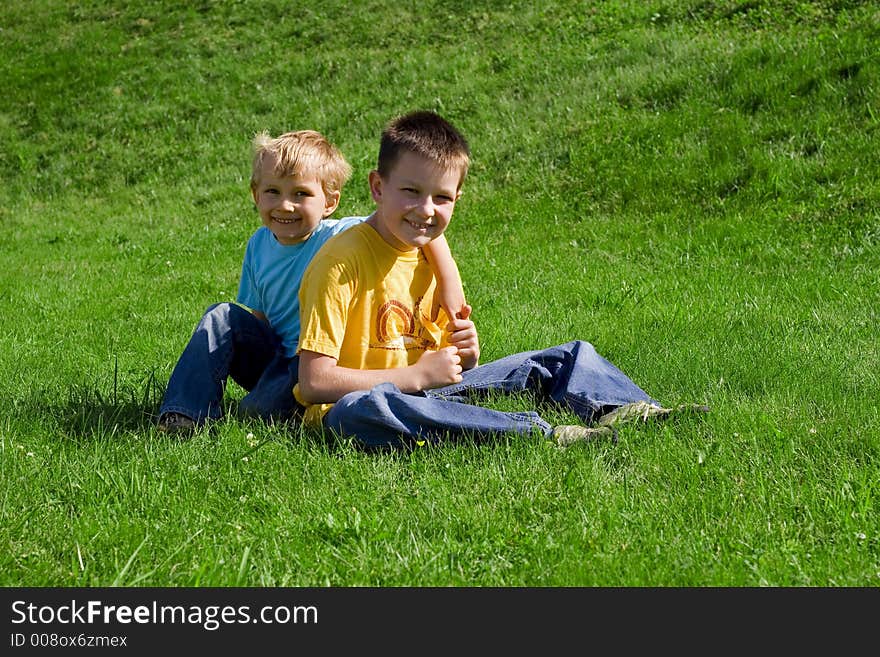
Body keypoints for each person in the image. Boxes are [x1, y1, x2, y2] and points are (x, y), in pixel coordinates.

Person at [294, 110, 708, 450]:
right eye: (411, 191)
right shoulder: (340, 262)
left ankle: (629, 409)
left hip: (427, 392)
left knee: (566, 356)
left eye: (441, 197)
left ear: (457, 199)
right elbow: (314, 383)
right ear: (377, 187)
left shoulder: (429, 254)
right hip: (352, 407)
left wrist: (465, 356)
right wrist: (414, 377)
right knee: (362, 410)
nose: (425, 209)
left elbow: (439, 362)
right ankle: (540, 434)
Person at [157, 129, 467, 435]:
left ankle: (287, 409)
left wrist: (449, 282)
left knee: (255, 414)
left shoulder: (341, 235)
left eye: (301, 194)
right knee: (221, 316)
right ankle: (185, 414)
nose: (285, 205)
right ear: (256, 194)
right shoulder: (257, 245)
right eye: (273, 192)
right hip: (279, 356)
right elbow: (261, 317)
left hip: (314, 362)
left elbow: (417, 229)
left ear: (330, 201)